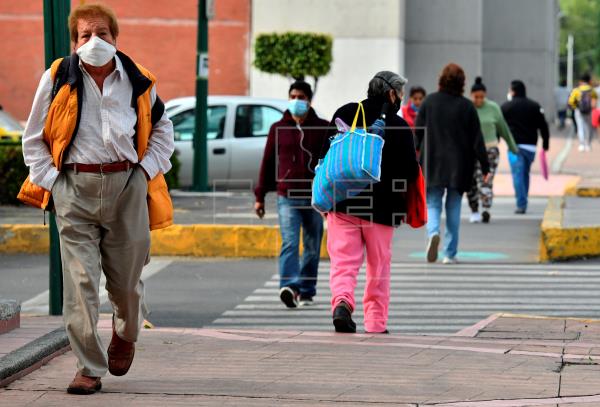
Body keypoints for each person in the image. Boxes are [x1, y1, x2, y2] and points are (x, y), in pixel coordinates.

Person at [18, 3, 174, 394]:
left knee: (126, 283)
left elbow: (162, 130)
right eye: (85, 35)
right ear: (74, 42)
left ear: (115, 39)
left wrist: (142, 173)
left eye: (102, 34)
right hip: (74, 189)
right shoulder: (58, 77)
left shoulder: (140, 80)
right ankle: (88, 367)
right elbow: (33, 137)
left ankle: (126, 331)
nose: (94, 42)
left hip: (127, 186)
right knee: (80, 282)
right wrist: (54, 183)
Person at [323, 71, 419, 334]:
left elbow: (324, 156)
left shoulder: (345, 113)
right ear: (391, 93)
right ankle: (376, 323)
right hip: (383, 210)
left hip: (342, 203)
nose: (400, 99)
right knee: (378, 267)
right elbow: (411, 171)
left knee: (343, 263)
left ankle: (342, 302)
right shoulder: (399, 127)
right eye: (400, 94)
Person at [254, 81, 329, 309]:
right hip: (286, 196)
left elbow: (329, 165)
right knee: (289, 242)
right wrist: (260, 196)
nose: (297, 100)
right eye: (293, 96)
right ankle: (289, 287)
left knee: (312, 246)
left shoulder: (323, 128)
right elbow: (268, 162)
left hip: (315, 198)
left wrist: (331, 198)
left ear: (309, 100)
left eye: (302, 97)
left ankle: (306, 291)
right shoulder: (278, 128)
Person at [415, 63, 489, 264]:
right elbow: (477, 139)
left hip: (432, 163)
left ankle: (432, 233)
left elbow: (417, 135)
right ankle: (449, 253)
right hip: (460, 165)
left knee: (432, 202)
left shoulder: (429, 102)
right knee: (454, 205)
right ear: (462, 83)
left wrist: (412, 160)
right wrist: (485, 166)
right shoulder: (467, 106)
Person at [467, 77, 518, 224]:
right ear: (471, 95)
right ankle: (475, 210)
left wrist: (513, 147)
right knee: (471, 182)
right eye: (476, 97)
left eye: (482, 97)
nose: (479, 100)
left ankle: (486, 209)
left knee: (485, 180)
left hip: (490, 150)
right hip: (470, 152)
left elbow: (503, 128)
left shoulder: (493, 107)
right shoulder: (467, 108)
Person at [502, 80, 550, 214]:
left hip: (514, 147)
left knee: (518, 175)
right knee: (524, 174)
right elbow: (543, 126)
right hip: (530, 148)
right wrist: (545, 144)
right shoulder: (535, 106)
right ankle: (523, 200)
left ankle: (521, 203)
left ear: (513, 91)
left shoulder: (506, 107)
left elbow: (499, 125)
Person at [568, 73, 597, 152]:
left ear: (581, 81)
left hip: (579, 111)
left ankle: (582, 145)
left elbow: (571, 101)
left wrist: (574, 108)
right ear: (589, 81)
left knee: (580, 127)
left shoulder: (577, 90)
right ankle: (588, 144)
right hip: (589, 111)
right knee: (588, 127)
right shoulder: (592, 90)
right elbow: (594, 101)